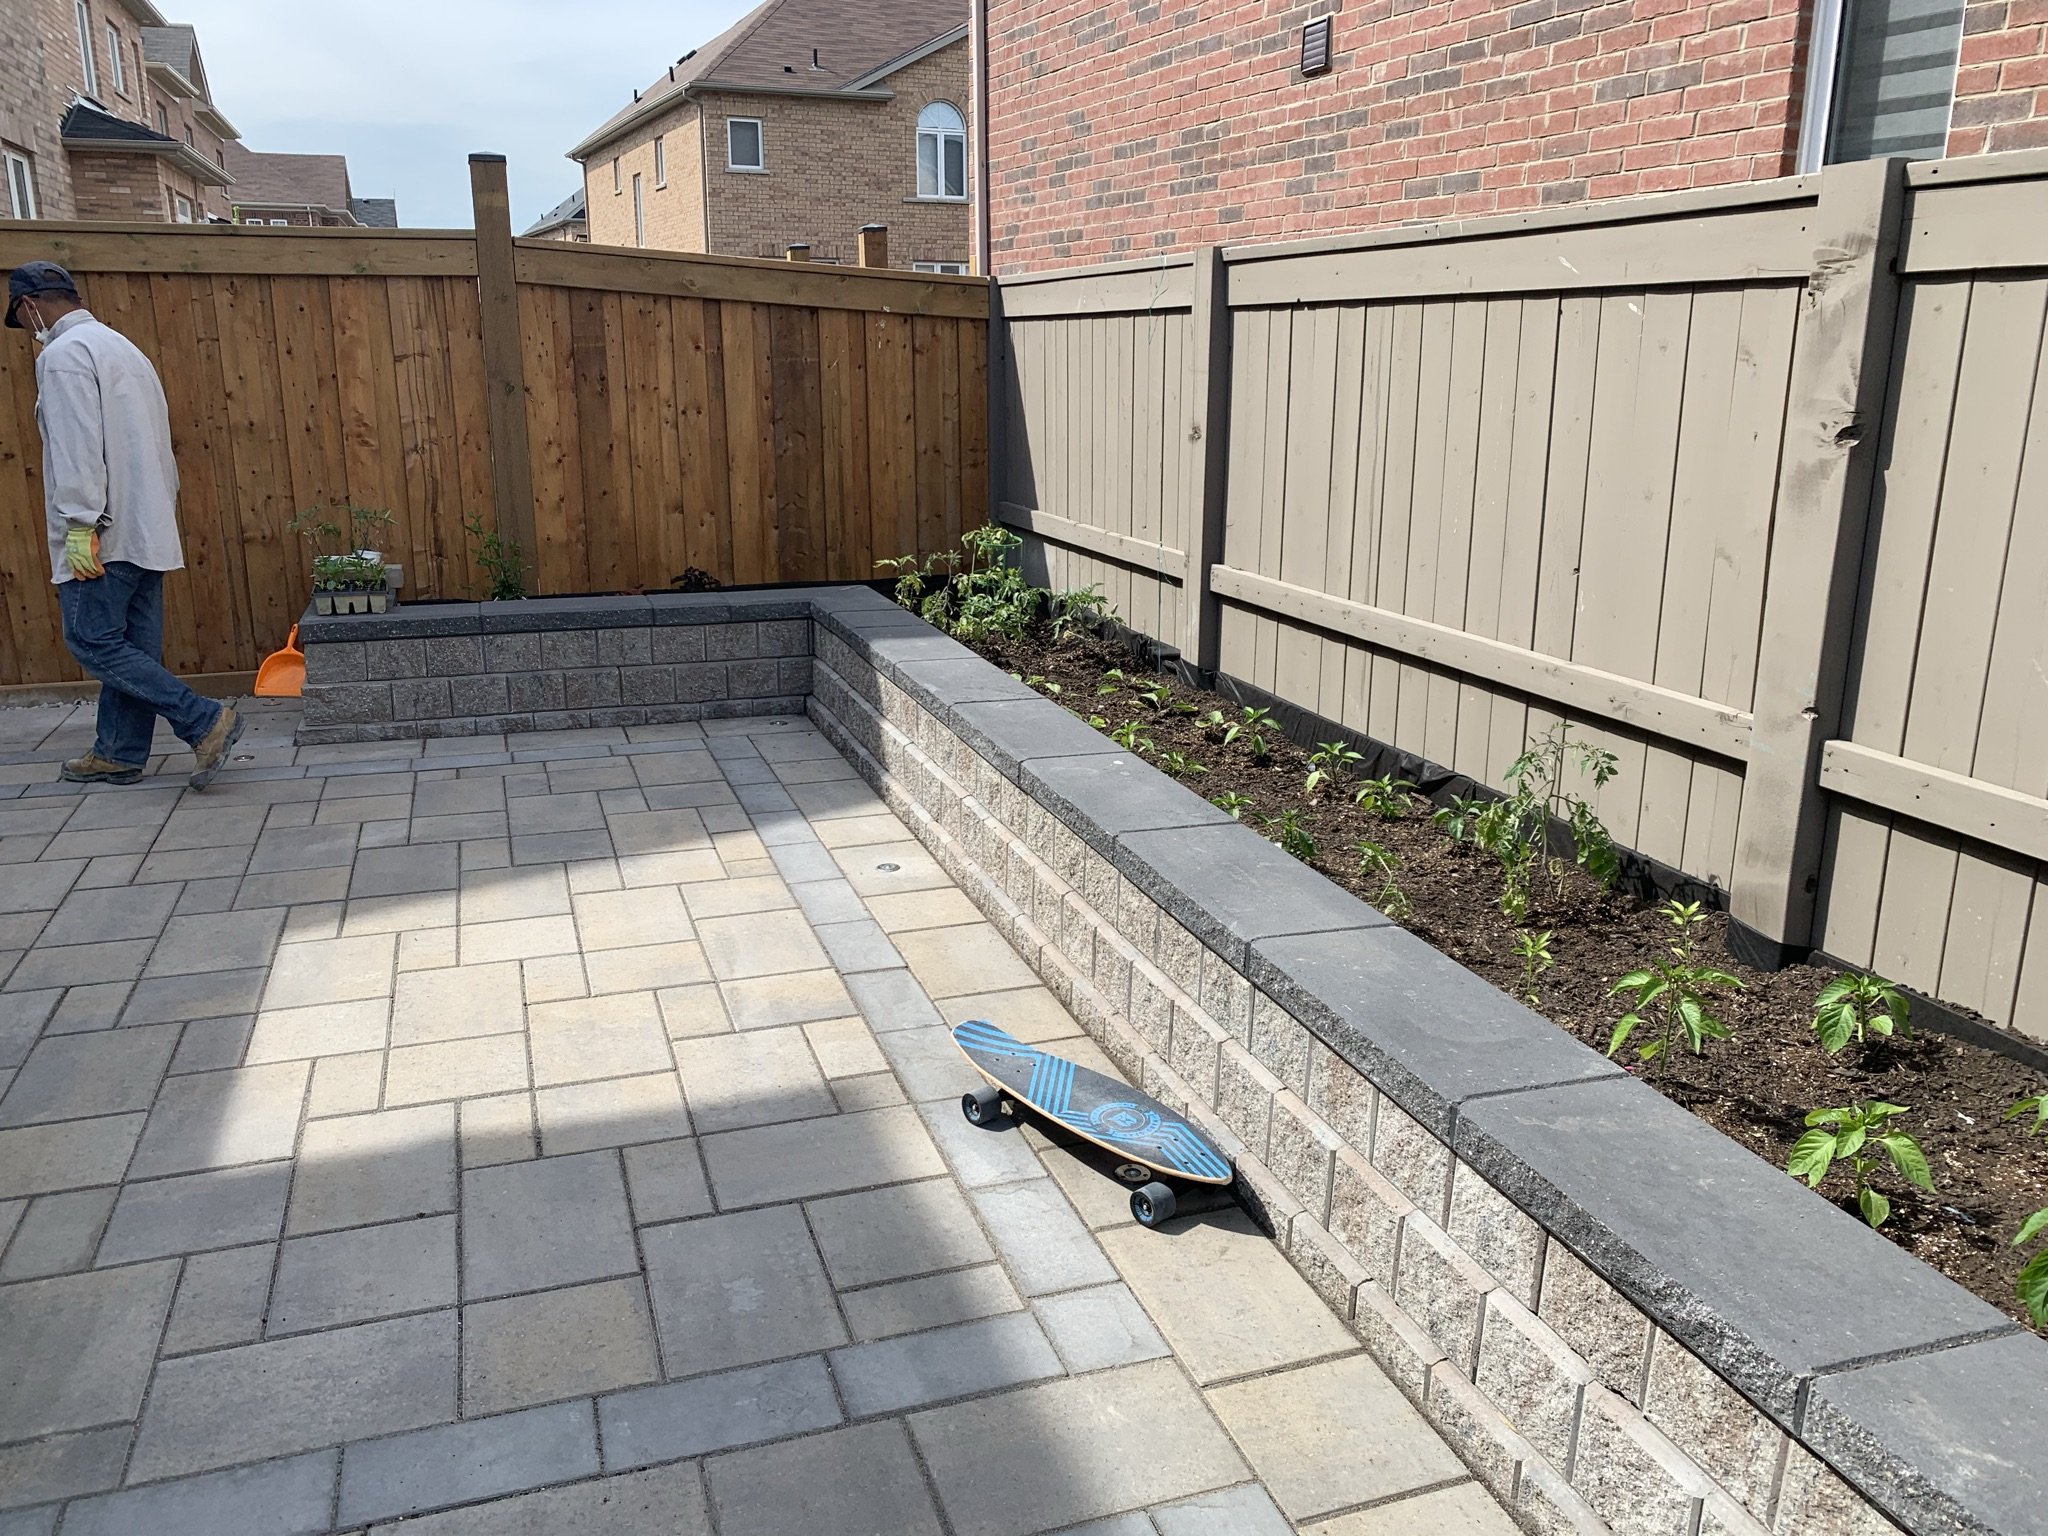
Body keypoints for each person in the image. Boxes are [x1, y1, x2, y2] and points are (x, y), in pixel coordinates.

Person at [8, 261, 243, 788]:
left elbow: (78, 448)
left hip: (102, 533)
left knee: (92, 641)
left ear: (30, 306)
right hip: (148, 526)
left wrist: (78, 523)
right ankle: (118, 750)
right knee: (130, 650)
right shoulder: (123, 348)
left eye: (22, 320)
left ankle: (204, 720)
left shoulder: (64, 356)